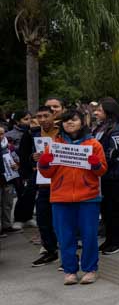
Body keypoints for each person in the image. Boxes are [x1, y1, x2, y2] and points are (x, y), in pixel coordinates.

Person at [37, 109, 107, 285]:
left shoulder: (94, 144)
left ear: (82, 122)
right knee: (65, 236)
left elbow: (102, 171)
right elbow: (47, 173)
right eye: (66, 120)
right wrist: (44, 163)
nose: (69, 123)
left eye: (73, 120)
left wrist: (95, 164)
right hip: (61, 198)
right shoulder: (54, 144)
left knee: (89, 235)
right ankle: (70, 271)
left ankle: (90, 269)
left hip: (88, 198)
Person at [92, 98, 119, 255]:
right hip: (104, 176)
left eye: (99, 110)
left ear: (108, 112)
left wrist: (97, 161)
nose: (96, 113)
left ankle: (118, 241)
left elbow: (113, 153)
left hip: (116, 176)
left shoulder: (118, 129)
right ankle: (109, 239)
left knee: (116, 209)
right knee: (106, 209)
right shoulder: (100, 128)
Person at [30, 105, 61, 267]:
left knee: (63, 220)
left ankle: (68, 254)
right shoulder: (34, 134)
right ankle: (50, 251)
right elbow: (24, 157)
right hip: (43, 182)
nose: (42, 120)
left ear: (53, 115)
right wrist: (33, 157)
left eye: (45, 116)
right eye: (39, 116)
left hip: (61, 182)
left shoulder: (63, 132)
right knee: (43, 218)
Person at [10, 110, 37, 229]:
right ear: (17, 121)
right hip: (17, 167)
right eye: (25, 119)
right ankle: (19, 218)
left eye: (30, 119)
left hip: (32, 166)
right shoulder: (11, 134)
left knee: (31, 193)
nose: (29, 122)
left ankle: (29, 217)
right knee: (22, 193)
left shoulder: (34, 132)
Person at [0, 126, 20, 235]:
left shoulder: (9, 147)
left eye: (2, 133)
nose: (0, 136)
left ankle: (6, 226)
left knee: (7, 203)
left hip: (8, 179)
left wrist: (16, 165)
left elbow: (17, 160)